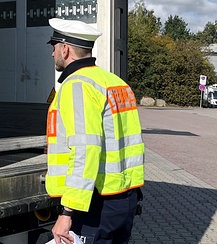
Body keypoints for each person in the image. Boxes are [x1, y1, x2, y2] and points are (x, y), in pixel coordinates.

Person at [45, 18, 144, 244]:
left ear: (65, 48)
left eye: (54, 47)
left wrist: (67, 212)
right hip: (124, 198)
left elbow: (86, 149)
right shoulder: (114, 82)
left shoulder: (78, 84)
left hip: (95, 203)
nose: (52, 53)